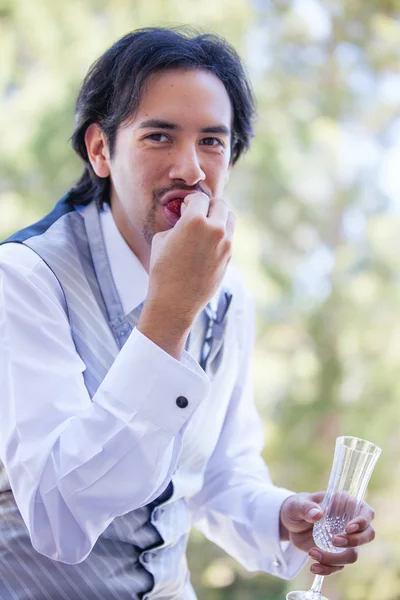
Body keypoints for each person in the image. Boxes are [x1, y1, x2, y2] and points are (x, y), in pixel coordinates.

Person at [0, 27, 375, 600]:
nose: (192, 169)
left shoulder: (227, 295)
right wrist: (169, 313)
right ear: (100, 149)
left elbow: (217, 476)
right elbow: (58, 520)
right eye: (159, 137)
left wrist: (282, 516)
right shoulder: (25, 280)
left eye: (212, 142)